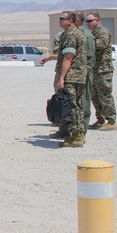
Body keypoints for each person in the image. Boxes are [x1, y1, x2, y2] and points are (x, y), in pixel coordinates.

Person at [40, 12, 88, 147]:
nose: (59, 21)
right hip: (78, 75)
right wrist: (50, 57)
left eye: (62, 19)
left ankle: (76, 136)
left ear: (71, 21)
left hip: (71, 76)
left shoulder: (70, 35)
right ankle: (78, 134)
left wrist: (61, 77)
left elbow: (68, 57)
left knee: (70, 105)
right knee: (76, 105)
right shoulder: (77, 33)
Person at [85, 11, 117, 130]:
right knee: (95, 95)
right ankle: (100, 118)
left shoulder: (103, 32)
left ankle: (111, 120)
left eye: (90, 21)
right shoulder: (93, 33)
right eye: (86, 21)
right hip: (95, 68)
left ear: (97, 21)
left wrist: (87, 41)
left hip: (104, 69)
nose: (87, 24)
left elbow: (101, 45)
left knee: (105, 95)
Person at [74, 11, 96, 129]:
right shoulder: (72, 34)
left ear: (77, 20)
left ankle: (82, 129)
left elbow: (91, 57)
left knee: (84, 100)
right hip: (74, 74)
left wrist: (84, 71)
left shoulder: (87, 36)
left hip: (84, 74)